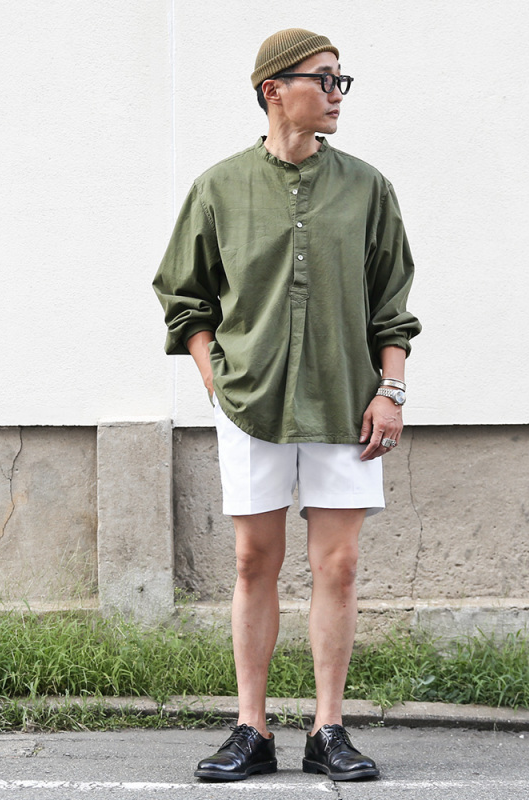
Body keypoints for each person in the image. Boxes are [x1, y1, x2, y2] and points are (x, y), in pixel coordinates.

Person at [153, 27, 421, 782]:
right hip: (251, 401)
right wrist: (213, 374)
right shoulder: (219, 187)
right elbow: (184, 294)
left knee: (339, 566)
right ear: (274, 89)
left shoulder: (367, 188)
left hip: (345, 402)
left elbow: (391, 303)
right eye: (323, 79)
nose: (337, 94)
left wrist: (391, 390)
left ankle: (328, 729)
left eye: (341, 81)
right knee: (252, 561)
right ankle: (252, 729)